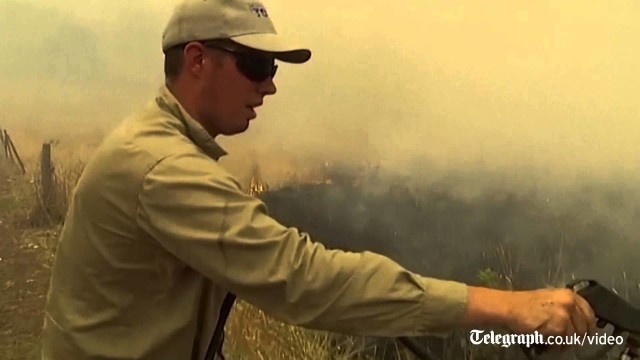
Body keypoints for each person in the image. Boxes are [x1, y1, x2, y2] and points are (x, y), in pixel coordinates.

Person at [41, 0, 596, 359]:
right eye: (257, 66)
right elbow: (304, 278)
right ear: (197, 60)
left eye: (273, 70)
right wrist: (510, 307)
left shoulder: (159, 144)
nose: (270, 87)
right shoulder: (162, 169)